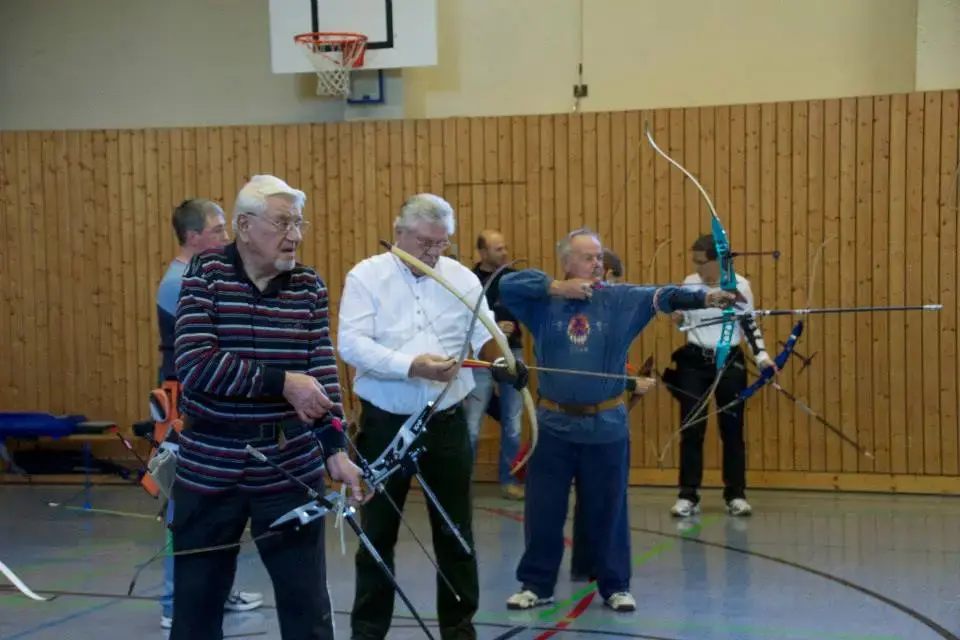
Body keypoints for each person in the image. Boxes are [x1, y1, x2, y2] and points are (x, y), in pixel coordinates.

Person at [497, 228, 739, 613]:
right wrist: (558, 287)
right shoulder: (542, 301)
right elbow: (505, 285)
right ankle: (536, 584)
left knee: (608, 508)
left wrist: (707, 296)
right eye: (589, 257)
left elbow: (664, 294)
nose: (598, 264)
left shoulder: (620, 299)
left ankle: (615, 585)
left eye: (600, 258)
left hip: (605, 426)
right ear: (567, 262)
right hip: (553, 425)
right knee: (543, 510)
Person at [170, 175, 366, 640]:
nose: (295, 235)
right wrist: (283, 384)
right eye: (282, 223)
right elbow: (197, 366)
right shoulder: (204, 275)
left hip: (288, 467)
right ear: (243, 226)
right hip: (209, 467)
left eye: (299, 223)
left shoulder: (309, 287)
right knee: (196, 610)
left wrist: (335, 446)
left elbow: (320, 374)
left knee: (308, 609)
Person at [337, 194, 529, 640]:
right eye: (425, 242)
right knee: (377, 534)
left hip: (445, 420)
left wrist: (501, 359)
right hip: (385, 422)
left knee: (456, 533)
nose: (433, 252)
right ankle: (368, 632)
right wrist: (411, 365)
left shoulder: (460, 276)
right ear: (399, 232)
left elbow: (485, 334)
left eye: (442, 243)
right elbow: (351, 344)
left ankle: (459, 631)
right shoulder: (367, 276)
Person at [155, 198, 263, 629]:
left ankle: (218, 590)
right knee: (186, 508)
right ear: (193, 236)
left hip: (200, 399)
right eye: (218, 231)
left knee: (221, 501)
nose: (226, 238)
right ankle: (173, 602)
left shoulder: (200, 275)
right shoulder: (181, 281)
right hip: (184, 403)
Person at [665, 233, 774, 518]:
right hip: (694, 362)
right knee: (691, 429)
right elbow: (684, 319)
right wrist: (678, 318)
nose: (697, 267)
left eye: (702, 262)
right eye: (695, 262)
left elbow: (748, 323)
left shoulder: (740, 286)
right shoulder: (690, 284)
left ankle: (736, 495)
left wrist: (762, 357)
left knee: (732, 430)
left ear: (718, 262)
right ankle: (688, 495)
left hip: (729, 363)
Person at [568, 247, 657, 582]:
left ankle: (590, 564)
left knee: (597, 493)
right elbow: (591, 368)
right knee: (601, 493)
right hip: (588, 414)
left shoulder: (608, 309)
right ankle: (590, 564)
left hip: (604, 413)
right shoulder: (586, 311)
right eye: (614, 279)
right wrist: (633, 381)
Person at [463, 229, 525, 500]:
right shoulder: (468, 280)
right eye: (498, 249)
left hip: (513, 354)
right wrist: (493, 327)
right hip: (480, 357)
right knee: (472, 424)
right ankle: (461, 482)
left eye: (505, 247)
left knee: (513, 422)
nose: (505, 253)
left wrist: (513, 325)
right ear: (483, 253)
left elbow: (528, 308)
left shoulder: (514, 278)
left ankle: (509, 480)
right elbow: (462, 317)